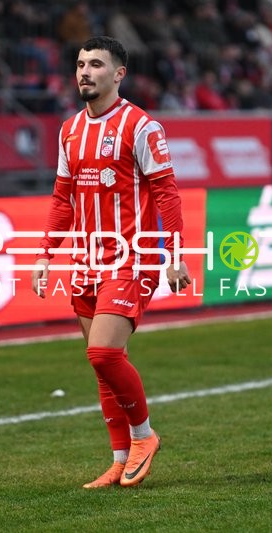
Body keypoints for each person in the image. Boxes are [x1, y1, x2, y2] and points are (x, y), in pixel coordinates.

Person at [31, 36, 191, 489]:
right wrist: (45, 254)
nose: (85, 71)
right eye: (80, 63)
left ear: (119, 74)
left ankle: (144, 436)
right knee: (103, 365)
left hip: (130, 259)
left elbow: (166, 194)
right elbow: (62, 199)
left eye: (96, 64)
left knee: (103, 352)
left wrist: (175, 255)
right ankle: (119, 459)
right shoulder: (69, 130)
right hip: (85, 259)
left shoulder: (140, 127)